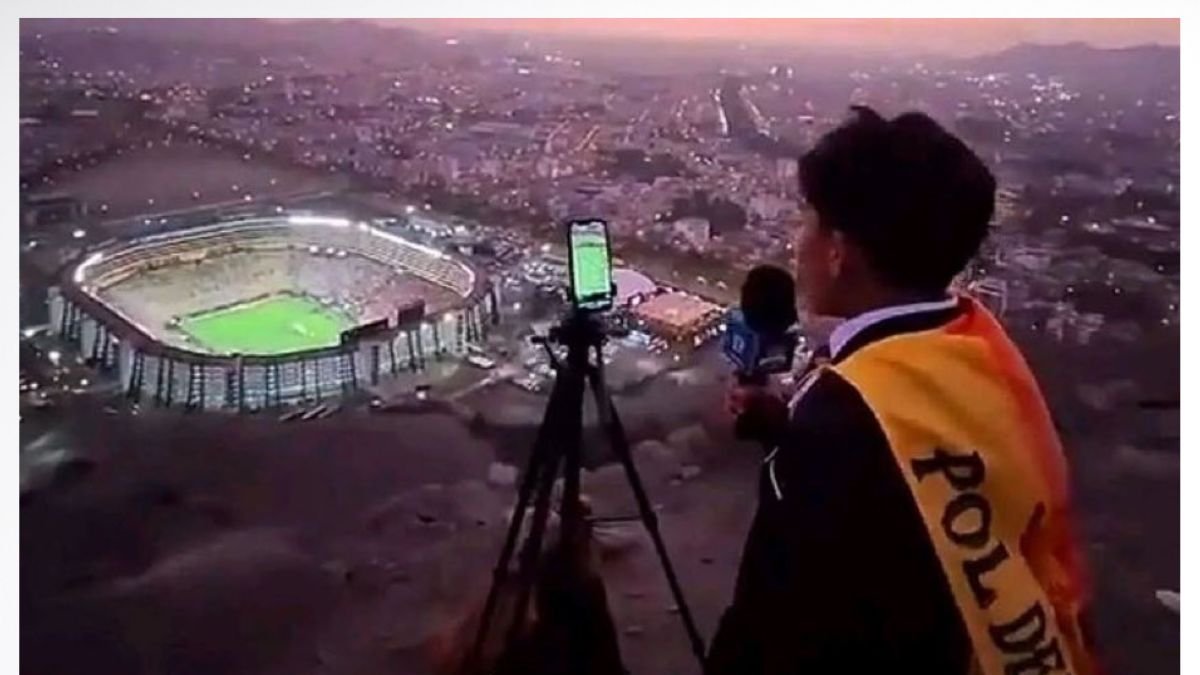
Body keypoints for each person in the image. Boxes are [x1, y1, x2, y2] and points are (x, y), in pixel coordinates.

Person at [709, 106, 1097, 675]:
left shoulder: (840, 420)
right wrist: (781, 432)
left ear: (839, 251)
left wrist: (799, 448)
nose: (797, 242)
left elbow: (781, 621)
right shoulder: (971, 349)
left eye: (808, 220)